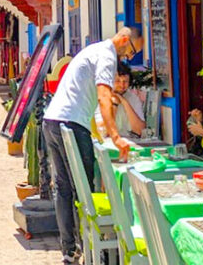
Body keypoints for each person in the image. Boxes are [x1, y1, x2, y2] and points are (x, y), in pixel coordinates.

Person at [43, 26, 144, 265]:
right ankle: (91, 249)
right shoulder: (107, 55)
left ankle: (70, 249)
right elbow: (103, 96)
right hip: (72, 122)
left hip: (53, 120)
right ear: (124, 39)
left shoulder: (93, 50)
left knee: (65, 188)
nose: (128, 58)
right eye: (130, 52)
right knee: (83, 189)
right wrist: (116, 136)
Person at [94, 61, 145, 139]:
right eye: (117, 81)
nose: (122, 85)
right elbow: (104, 132)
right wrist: (114, 105)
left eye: (125, 81)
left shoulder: (133, 98)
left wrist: (124, 102)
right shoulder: (101, 97)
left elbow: (140, 131)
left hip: (131, 142)